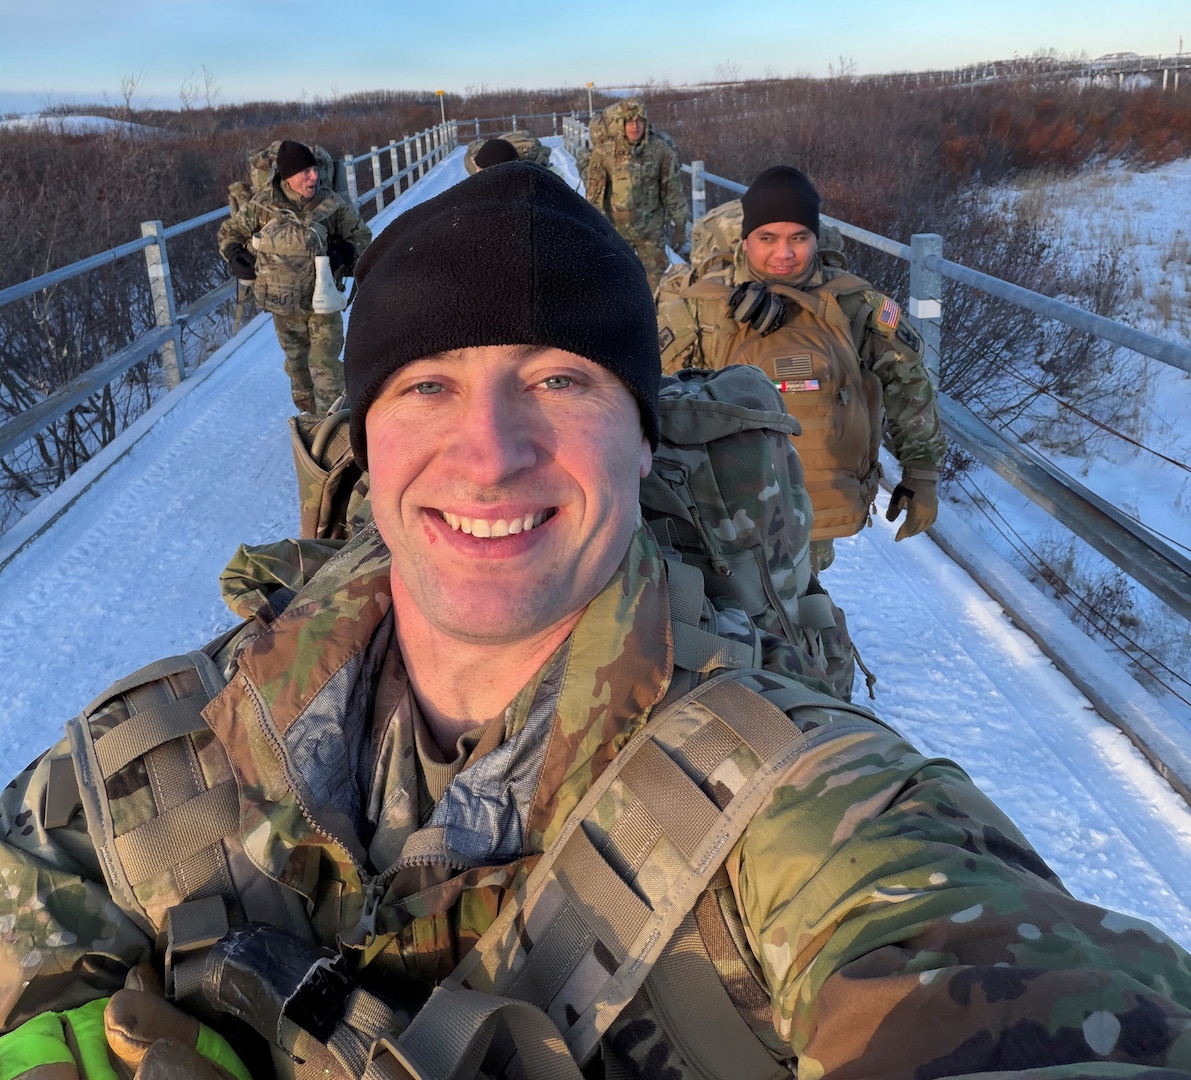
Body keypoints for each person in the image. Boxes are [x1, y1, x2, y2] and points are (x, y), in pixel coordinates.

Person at [3, 164, 1191, 1080]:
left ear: (642, 430)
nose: (491, 453)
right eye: (427, 386)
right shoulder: (164, 743)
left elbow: (988, 976)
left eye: (561, 380)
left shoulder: (809, 817)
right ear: (363, 440)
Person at [657, 165, 947, 572]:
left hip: (818, 508)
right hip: (719, 513)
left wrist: (922, 475)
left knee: (806, 602)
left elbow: (908, 384)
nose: (784, 253)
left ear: (816, 238)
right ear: (746, 238)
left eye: (799, 238)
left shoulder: (854, 304)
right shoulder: (702, 306)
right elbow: (654, 399)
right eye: (767, 238)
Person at [219, 138, 372, 415]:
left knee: (323, 364)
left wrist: (345, 251)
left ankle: (333, 427)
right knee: (297, 367)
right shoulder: (262, 207)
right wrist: (232, 252)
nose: (314, 176)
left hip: (323, 302)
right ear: (288, 177)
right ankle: (311, 419)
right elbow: (230, 231)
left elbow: (362, 235)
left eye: (314, 169)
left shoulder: (332, 204)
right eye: (305, 172)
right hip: (284, 304)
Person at [584, 97, 687, 290]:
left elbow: (671, 188)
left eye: (639, 121)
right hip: (617, 231)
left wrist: (680, 224)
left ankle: (653, 319)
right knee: (617, 284)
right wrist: (592, 229)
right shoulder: (605, 152)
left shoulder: (659, 150)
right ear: (621, 123)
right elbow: (594, 194)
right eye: (629, 121)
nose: (635, 126)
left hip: (651, 231)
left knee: (655, 286)